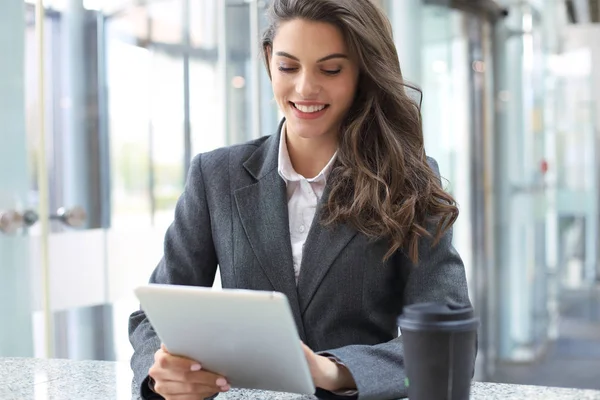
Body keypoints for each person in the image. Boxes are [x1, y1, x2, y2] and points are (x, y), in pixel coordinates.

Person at [128, 0, 473, 399]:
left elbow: (446, 342)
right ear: (269, 59)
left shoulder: (407, 180)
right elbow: (151, 316)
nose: (305, 88)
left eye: (330, 69)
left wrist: (333, 371)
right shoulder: (215, 176)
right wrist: (163, 371)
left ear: (363, 72)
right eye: (288, 67)